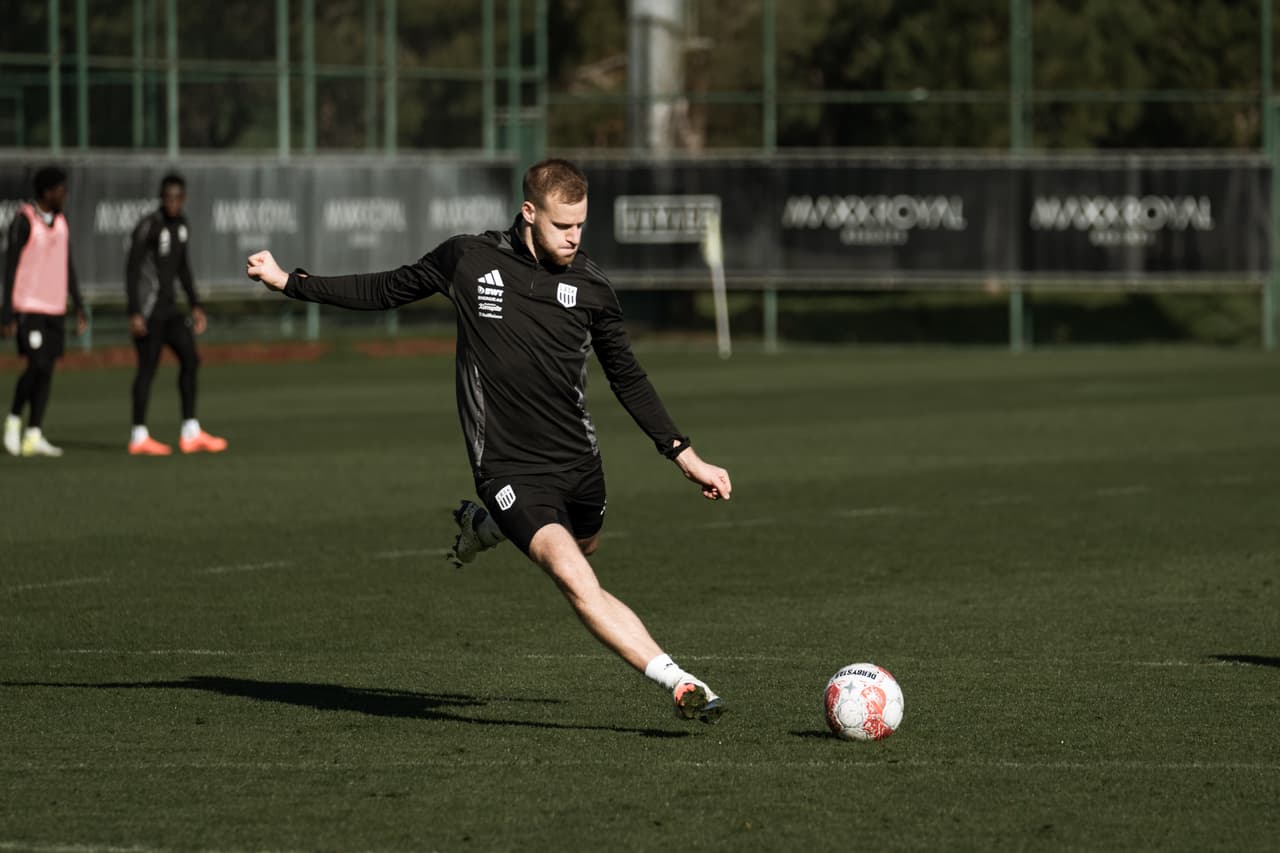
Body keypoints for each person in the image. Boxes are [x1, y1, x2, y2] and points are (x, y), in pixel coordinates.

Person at [246, 158, 733, 723]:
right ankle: (681, 682)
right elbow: (384, 288)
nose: (574, 237)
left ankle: (488, 526)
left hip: (578, 462)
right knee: (573, 575)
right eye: (562, 225)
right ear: (529, 213)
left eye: (581, 225)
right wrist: (290, 282)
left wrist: (684, 456)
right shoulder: (468, 260)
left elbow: (627, 377)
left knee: (585, 548)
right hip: (507, 464)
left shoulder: (592, 287)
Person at [125, 173, 226, 455]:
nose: (172, 202)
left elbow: (183, 268)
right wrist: (134, 312)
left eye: (177, 197)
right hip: (148, 312)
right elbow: (132, 270)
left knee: (191, 360)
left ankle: (190, 431)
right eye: (168, 197)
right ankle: (138, 435)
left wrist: (196, 304)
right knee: (147, 369)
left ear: (183, 198)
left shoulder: (182, 225)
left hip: (170, 310)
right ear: (161, 198)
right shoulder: (149, 226)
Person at [2, 165, 87, 458]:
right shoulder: (24, 220)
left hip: (54, 307)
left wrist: (78, 304)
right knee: (36, 364)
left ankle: (34, 433)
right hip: (29, 307)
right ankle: (14, 420)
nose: (66, 195)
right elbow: (9, 269)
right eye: (61, 189)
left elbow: (67, 264)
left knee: (47, 369)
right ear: (47, 192)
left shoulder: (61, 222)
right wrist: (7, 312)